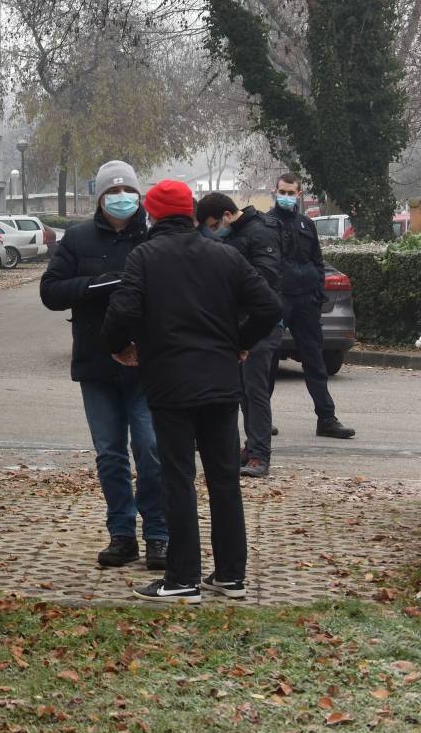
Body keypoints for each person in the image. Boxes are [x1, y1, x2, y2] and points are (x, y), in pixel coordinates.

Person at [102, 179, 280, 604]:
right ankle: (231, 577)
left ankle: (182, 578)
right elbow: (270, 307)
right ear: (192, 213)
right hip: (221, 383)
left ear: (153, 213)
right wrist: (240, 342)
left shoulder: (144, 256)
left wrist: (119, 348)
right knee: (224, 480)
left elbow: (122, 311)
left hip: (170, 384)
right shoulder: (226, 255)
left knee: (177, 478)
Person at [40, 160, 168, 570]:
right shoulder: (77, 240)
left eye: (126, 191)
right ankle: (122, 533)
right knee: (110, 453)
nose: (120, 198)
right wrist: (94, 286)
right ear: (99, 197)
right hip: (96, 365)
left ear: (139, 194)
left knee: (150, 449)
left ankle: (159, 535)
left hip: (145, 366)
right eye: (112, 192)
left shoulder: (153, 237)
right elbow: (51, 291)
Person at [196, 192, 282, 477]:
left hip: (259, 323)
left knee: (255, 391)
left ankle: (260, 455)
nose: (212, 232)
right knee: (243, 391)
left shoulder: (260, 232)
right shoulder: (236, 235)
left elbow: (266, 280)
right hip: (237, 323)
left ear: (227, 215)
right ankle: (252, 446)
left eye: (212, 225)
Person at [270, 173, 356, 439]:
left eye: (291, 192)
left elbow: (317, 262)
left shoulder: (307, 224)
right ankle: (261, 418)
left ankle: (327, 418)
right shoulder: (265, 224)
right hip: (278, 300)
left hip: (306, 301)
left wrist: (318, 293)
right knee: (267, 362)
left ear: (299, 194)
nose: (286, 196)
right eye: (282, 191)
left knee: (315, 361)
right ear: (276, 192)